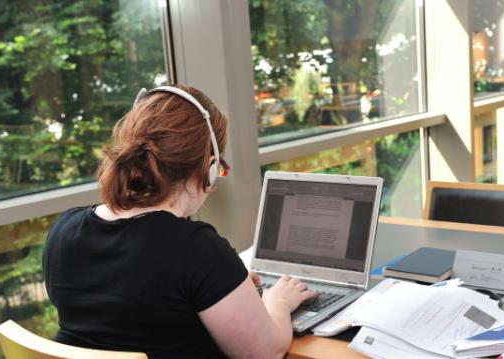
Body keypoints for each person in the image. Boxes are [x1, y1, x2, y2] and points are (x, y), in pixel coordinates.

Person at [42, 84, 316, 358]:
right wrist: (276, 303)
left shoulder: (64, 230)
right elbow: (264, 353)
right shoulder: (195, 249)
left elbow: (129, 312)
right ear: (209, 168)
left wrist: (226, 283)